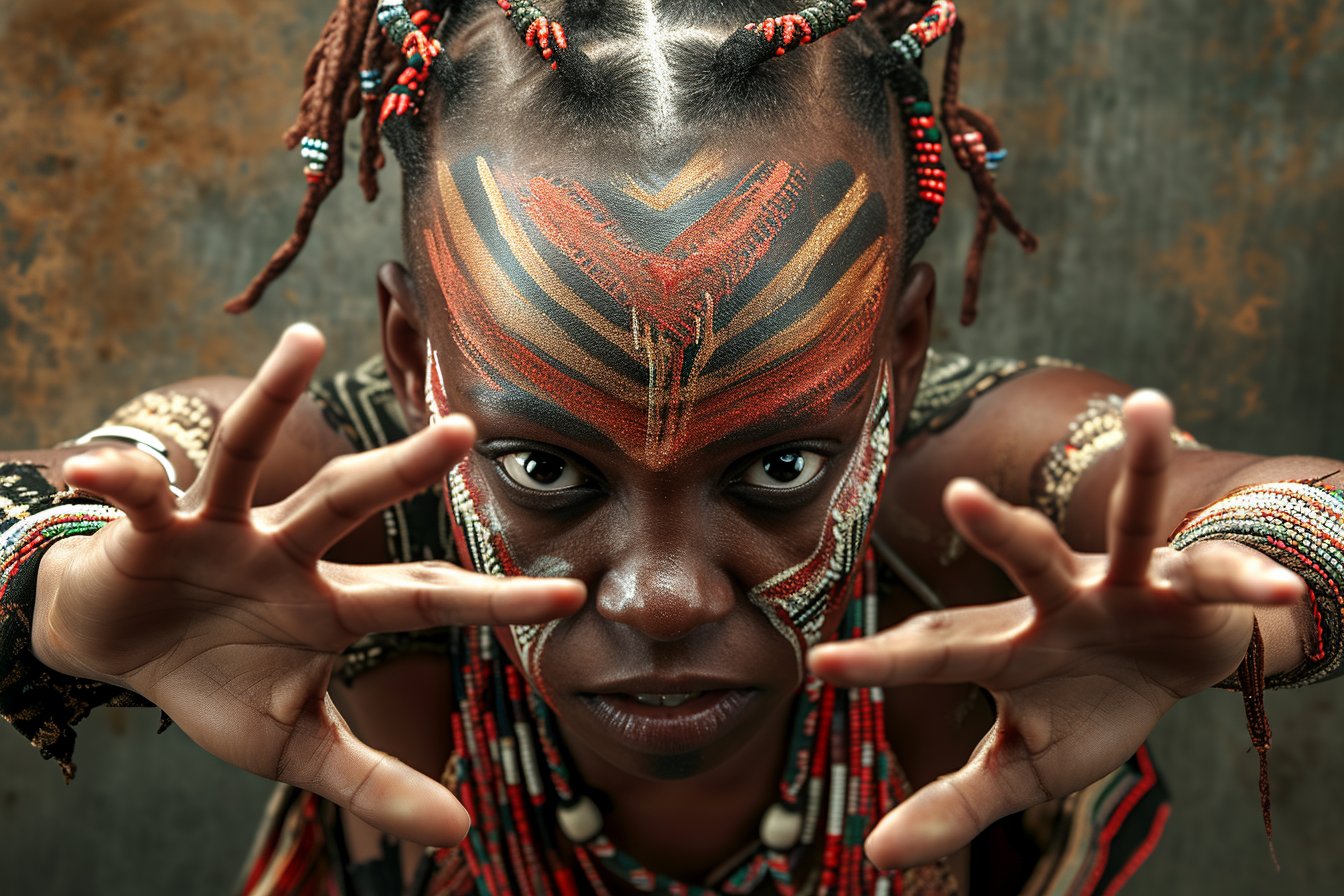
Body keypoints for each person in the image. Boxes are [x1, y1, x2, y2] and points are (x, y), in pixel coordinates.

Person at [1, 2, 1340, 894]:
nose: (661, 596)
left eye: (777, 469)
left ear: (900, 349)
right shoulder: (313, 513)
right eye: (544, 471)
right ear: (414, 357)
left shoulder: (977, 512)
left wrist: (1248, 593)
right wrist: (53, 591)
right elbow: (61, 510)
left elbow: (1300, 506)